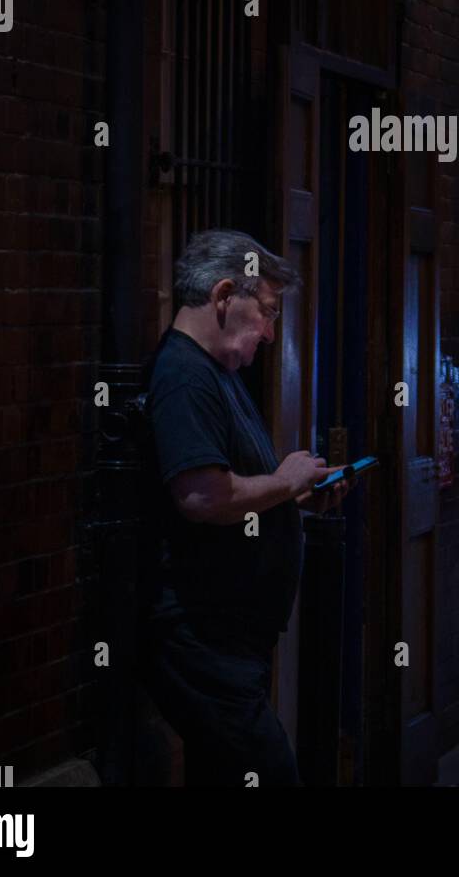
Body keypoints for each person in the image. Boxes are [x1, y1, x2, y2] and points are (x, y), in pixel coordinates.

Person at [137, 229, 351, 787]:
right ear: (225, 294)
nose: (273, 334)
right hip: (202, 642)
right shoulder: (184, 376)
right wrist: (283, 481)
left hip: (231, 642)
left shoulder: (217, 372)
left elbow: (236, 493)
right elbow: (203, 497)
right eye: (268, 312)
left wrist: (294, 496)